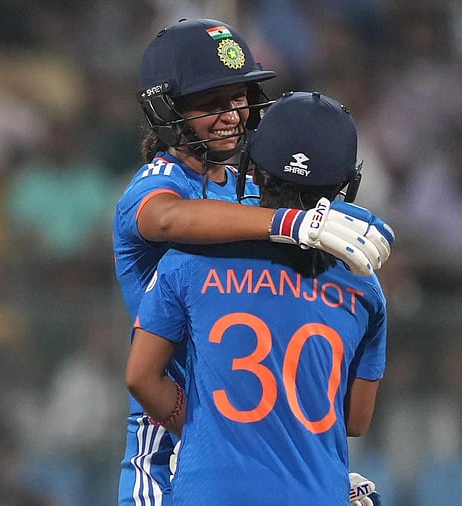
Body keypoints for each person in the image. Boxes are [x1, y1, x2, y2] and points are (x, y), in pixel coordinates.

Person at [113, 18, 392, 505]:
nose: (232, 114)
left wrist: (304, 459)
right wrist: (199, 431)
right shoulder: (159, 182)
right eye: (210, 103)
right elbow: (168, 217)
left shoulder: (246, 187)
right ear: (166, 109)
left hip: (245, 437)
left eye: (239, 97)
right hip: (166, 437)